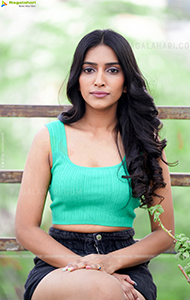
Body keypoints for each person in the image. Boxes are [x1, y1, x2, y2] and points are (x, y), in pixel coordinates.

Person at [15, 29, 174, 300]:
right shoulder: (49, 138)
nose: (99, 80)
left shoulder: (145, 142)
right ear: (77, 78)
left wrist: (110, 262)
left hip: (125, 264)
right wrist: (89, 267)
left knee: (105, 289)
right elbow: (25, 229)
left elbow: (165, 234)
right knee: (100, 288)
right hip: (58, 263)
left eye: (112, 70)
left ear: (126, 81)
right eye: (89, 70)